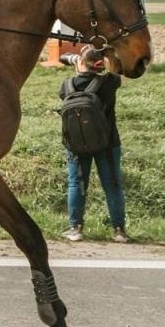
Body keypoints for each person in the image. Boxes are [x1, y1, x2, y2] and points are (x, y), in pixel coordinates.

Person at [60, 45, 130, 243]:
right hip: (108, 143)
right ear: (100, 65)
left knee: (77, 184)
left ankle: (76, 228)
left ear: (80, 63)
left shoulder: (66, 85)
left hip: (76, 144)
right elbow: (117, 71)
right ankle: (119, 231)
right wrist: (107, 57)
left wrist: (79, 69)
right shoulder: (109, 82)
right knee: (113, 186)